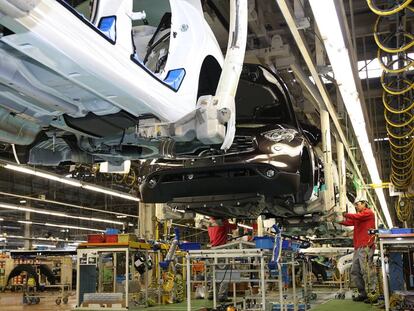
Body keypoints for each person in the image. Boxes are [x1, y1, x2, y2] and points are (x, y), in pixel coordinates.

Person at [340, 197, 376, 302]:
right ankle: (363, 294)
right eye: (355, 205)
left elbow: (354, 217)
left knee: (366, 271)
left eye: (358, 204)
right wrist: (337, 220)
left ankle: (372, 295)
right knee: (355, 271)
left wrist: (344, 214)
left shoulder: (368, 213)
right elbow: (349, 222)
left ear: (365, 204)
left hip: (366, 246)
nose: (356, 206)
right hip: (358, 248)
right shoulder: (359, 218)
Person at [207, 218, 237, 302]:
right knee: (226, 273)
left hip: (213, 250)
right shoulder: (222, 222)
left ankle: (212, 293)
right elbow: (234, 227)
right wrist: (235, 219)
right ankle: (222, 295)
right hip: (221, 250)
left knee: (214, 272)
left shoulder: (209, 224)